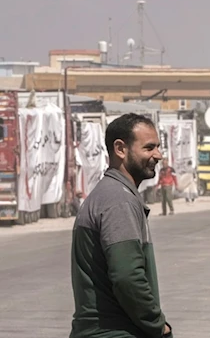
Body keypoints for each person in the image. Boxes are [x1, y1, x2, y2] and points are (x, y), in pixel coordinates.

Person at [70, 113, 172, 338]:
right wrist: (158, 324)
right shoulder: (119, 200)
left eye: (158, 147)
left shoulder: (111, 194)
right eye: (149, 148)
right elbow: (127, 276)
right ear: (120, 149)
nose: (158, 155)